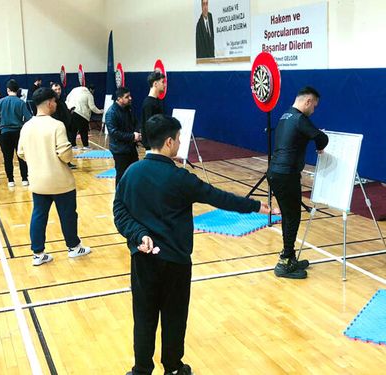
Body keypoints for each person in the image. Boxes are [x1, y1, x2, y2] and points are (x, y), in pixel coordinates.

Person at [114, 114, 273, 375]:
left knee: (143, 316)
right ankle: (174, 368)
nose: (179, 142)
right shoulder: (181, 178)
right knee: (174, 317)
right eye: (177, 139)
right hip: (175, 262)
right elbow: (218, 197)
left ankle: (141, 369)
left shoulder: (131, 172)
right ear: (168, 142)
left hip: (142, 259)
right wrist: (255, 205)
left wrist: (138, 234)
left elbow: (119, 211)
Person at [18, 88, 91, 266]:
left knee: (38, 215)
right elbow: (65, 155)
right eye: (55, 101)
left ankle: (38, 253)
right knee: (67, 215)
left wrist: (37, 159)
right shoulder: (57, 125)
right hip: (60, 181)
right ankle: (74, 247)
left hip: (37, 180)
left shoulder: (27, 126)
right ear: (50, 102)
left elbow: (20, 152)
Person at [267, 86, 328, 279]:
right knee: (292, 216)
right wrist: (320, 147)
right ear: (307, 101)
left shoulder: (285, 115)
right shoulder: (300, 119)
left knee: (289, 215)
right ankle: (284, 262)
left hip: (275, 172)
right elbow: (321, 137)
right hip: (286, 175)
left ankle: (290, 257)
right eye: (314, 106)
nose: (313, 110)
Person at [0, 79, 32, 187]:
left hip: (5, 133)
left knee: (7, 157)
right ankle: (24, 179)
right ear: (18, 90)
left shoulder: (0, 102)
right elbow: (28, 118)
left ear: (7, 90)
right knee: (21, 156)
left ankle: (10, 180)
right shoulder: (21, 102)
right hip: (18, 132)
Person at [105, 87, 141, 186]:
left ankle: (131, 196)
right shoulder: (111, 113)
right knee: (122, 176)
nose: (130, 98)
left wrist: (137, 133)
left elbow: (135, 122)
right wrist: (132, 136)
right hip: (119, 151)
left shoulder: (128, 109)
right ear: (119, 99)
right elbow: (114, 133)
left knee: (134, 173)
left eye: (130, 96)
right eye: (127, 97)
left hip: (131, 148)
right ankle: (119, 199)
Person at [65, 83, 103, 149]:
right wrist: (100, 111)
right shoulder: (89, 94)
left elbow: (67, 99)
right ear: (91, 90)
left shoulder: (74, 90)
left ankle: (73, 145)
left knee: (73, 130)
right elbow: (92, 107)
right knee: (84, 131)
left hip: (70, 111)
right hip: (82, 114)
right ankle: (86, 146)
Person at [50, 82, 76, 169]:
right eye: (55, 90)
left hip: (66, 127)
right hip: (58, 128)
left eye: (59, 89)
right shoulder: (52, 102)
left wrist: (69, 112)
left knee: (66, 146)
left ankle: (67, 162)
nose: (58, 91)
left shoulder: (61, 100)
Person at [140, 71, 166, 151]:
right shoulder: (149, 104)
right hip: (152, 147)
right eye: (162, 82)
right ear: (155, 84)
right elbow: (150, 128)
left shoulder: (157, 101)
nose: (164, 85)